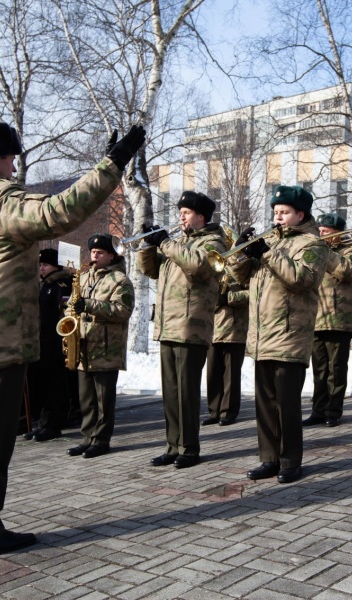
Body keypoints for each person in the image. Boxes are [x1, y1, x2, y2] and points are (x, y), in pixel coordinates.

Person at [0, 117, 145, 560]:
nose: (14, 167)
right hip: (1, 332)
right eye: (11, 158)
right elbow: (58, 212)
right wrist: (113, 164)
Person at [229, 185, 327, 484]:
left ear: (301, 214)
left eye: (284, 212)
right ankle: (269, 458)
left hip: (289, 336)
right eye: (276, 212)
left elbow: (301, 279)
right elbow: (240, 278)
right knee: (265, 406)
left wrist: (267, 254)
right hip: (262, 337)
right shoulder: (269, 241)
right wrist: (240, 252)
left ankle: (290, 461)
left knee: (287, 405)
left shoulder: (313, 244)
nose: (278, 217)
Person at [137, 192, 226, 469]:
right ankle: (172, 446)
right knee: (171, 393)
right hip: (168, 325)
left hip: (191, 327)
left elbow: (198, 266)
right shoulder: (178, 244)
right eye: (180, 213)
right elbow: (149, 270)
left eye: (186, 213)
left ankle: (189, 448)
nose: (181, 218)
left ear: (201, 216)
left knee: (186, 393)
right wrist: (147, 245)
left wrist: (165, 242)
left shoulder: (213, 242)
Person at [65, 234, 134, 459]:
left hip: (106, 349)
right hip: (84, 347)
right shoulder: (84, 277)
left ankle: (101, 440)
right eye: (93, 252)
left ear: (111, 256)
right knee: (86, 400)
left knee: (104, 401)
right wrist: (69, 313)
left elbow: (123, 311)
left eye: (100, 253)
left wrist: (89, 305)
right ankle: (87, 438)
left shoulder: (120, 280)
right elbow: (72, 305)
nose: (94, 256)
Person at [303, 213, 352, 427]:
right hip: (317, 318)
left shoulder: (351, 252)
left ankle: (333, 411)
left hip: (339, 320)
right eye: (319, 231)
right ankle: (318, 410)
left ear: (338, 233)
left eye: (326, 232)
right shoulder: (318, 252)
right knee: (319, 370)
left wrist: (324, 251)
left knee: (335, 370)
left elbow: (346, 271)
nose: (321, 235)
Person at [26, 248, 73, 442]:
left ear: (55, 265)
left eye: (45, 265)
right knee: (43, 385)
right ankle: (43, 423)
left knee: (56, 386)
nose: (41, 268)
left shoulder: (61, 284)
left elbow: (64, 313)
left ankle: (53, 424)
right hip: (41, 343)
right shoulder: (43, 285)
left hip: (55, 343)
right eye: (39, 265)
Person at [204, 231, 248, 427]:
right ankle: (214, 410)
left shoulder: (243, 266)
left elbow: (253, 292)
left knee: (231, 374)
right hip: (213, 327)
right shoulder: (215, 266)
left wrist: (229, 297)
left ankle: (228, 411)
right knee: (212, 372)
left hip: (235, 328)